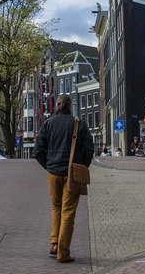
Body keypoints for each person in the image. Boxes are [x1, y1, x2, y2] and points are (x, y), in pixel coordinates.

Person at [33, 94, 94, 263]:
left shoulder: (48, 124)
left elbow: (37, 151)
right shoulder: (78, 124)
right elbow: (89, 148)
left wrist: (49, 165)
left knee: (56, 207)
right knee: (68, 211)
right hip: (72, 173)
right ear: (70, 106)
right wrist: (82, 166)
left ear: (57, 106)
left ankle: (54, 243)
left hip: (53, 172)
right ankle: (63, 252)